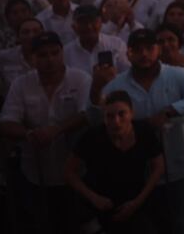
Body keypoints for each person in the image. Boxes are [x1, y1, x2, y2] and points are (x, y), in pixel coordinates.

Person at [93, 29, 184, 234]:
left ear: (157, 50)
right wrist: (96, 86)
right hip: (137, 170)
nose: (144, 54)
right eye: (137, 50)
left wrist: (171, 110)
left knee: (180, 220)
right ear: (128, 53)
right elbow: (96, 113)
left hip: (175, 164)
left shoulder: (176, 74)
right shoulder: (118, 83)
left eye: (149, 48)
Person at [0, 32, 91, 234]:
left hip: (76, 175)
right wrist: (29, 134)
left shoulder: (80, 78)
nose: (49, 59)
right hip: (34, 173)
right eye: (42, 55)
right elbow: (6, 121)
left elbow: (87, 114)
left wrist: (57, 130)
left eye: (54, 53)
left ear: (62, 53)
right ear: (32, 58)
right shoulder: (21, 83)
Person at [64, 90, 165, 234]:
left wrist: (138, 201)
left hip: (134, 200)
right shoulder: (93, 137)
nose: (116, 122)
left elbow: (159, 166)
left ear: (131, 113)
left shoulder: (143, 131)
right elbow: (69, 172)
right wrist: (94, 198)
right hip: (98, 204)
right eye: (109, 116)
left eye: (121, 114)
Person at [0, 16, 43, 97]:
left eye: (36, 31)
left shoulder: (52, 56)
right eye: (25, 32)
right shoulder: (5, 56)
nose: (31, 36)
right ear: (18, 37)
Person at [63, 5, 130, 74]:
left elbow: (127, 74)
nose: (89, 26)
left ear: (101, 23)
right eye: (83, 22)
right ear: (74, 27)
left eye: (93, 21)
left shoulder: (117, 45)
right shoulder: (66, 53)